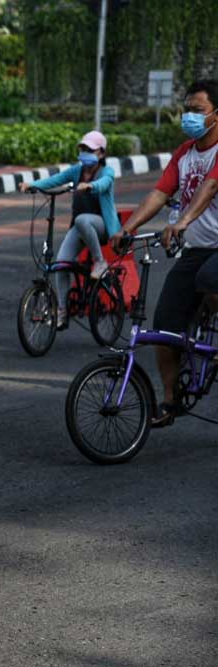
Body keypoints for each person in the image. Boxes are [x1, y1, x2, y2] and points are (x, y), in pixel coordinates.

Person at [109, 79, 218, 426]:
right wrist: (128, 229)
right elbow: (158, 194)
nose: (190, 116)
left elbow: (211, 185)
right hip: (195, 251)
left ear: (217, 114)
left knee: (209, 278)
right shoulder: (184, 153)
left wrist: (183, 220)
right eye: (186, 109)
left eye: (198, 110)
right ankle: (171, 401)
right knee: (164, 326)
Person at [20, 130, 118, 328]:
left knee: (82, 219)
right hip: (81, 228)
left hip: (102, 227)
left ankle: (100, 262)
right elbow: (56, 180)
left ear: (101, 153)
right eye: (83, 148)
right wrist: (33, 185)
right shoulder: (77, 171)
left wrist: (90, 187)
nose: (85, 152)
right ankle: (62, 311)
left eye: (90, 149)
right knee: (61, 265)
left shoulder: (105, 172)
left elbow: (104, 183)